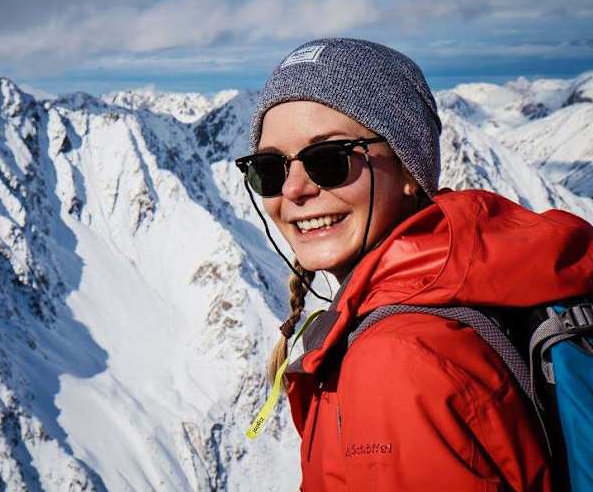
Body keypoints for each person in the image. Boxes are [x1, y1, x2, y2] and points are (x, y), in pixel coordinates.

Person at [235, 38, 593, 491]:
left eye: (329, 160)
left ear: (409, 170)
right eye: (270, 168)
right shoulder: (469, 281)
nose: (294, 189)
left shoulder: (397, 361)